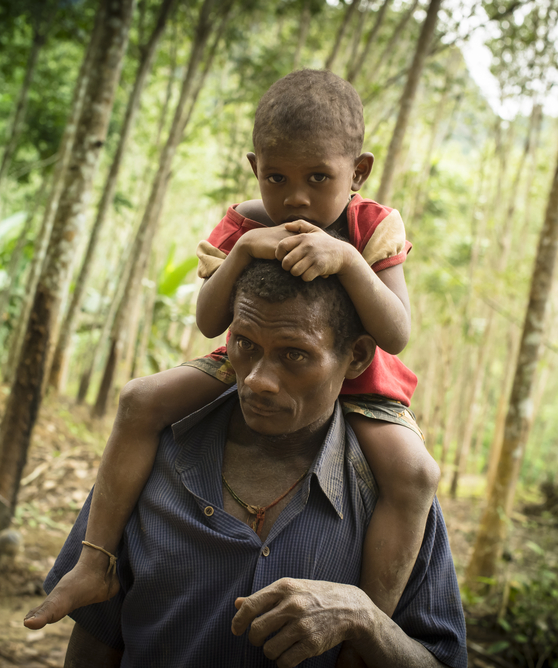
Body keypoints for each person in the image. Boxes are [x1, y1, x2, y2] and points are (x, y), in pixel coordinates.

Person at [25, 68, 439, 631]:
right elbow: (207, 320)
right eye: (276, 176)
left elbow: (395, 333)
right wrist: (244, 250)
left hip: (364, 384)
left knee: (413, 473)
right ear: (254, 168)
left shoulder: (372, 224)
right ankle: (94, 561)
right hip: (243, 360)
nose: (296, 196)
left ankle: (367, 625)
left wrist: (346, 259)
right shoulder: (246, 221)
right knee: (139, 399)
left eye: (319, 177)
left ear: (358, 172)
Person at [27, 260, 467, 667]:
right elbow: (96, 638)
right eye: (245, 344)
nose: (257, 379)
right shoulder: (150, 458)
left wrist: (365, 619)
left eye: (294, 354)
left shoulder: (394, 493)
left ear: (355, 357)